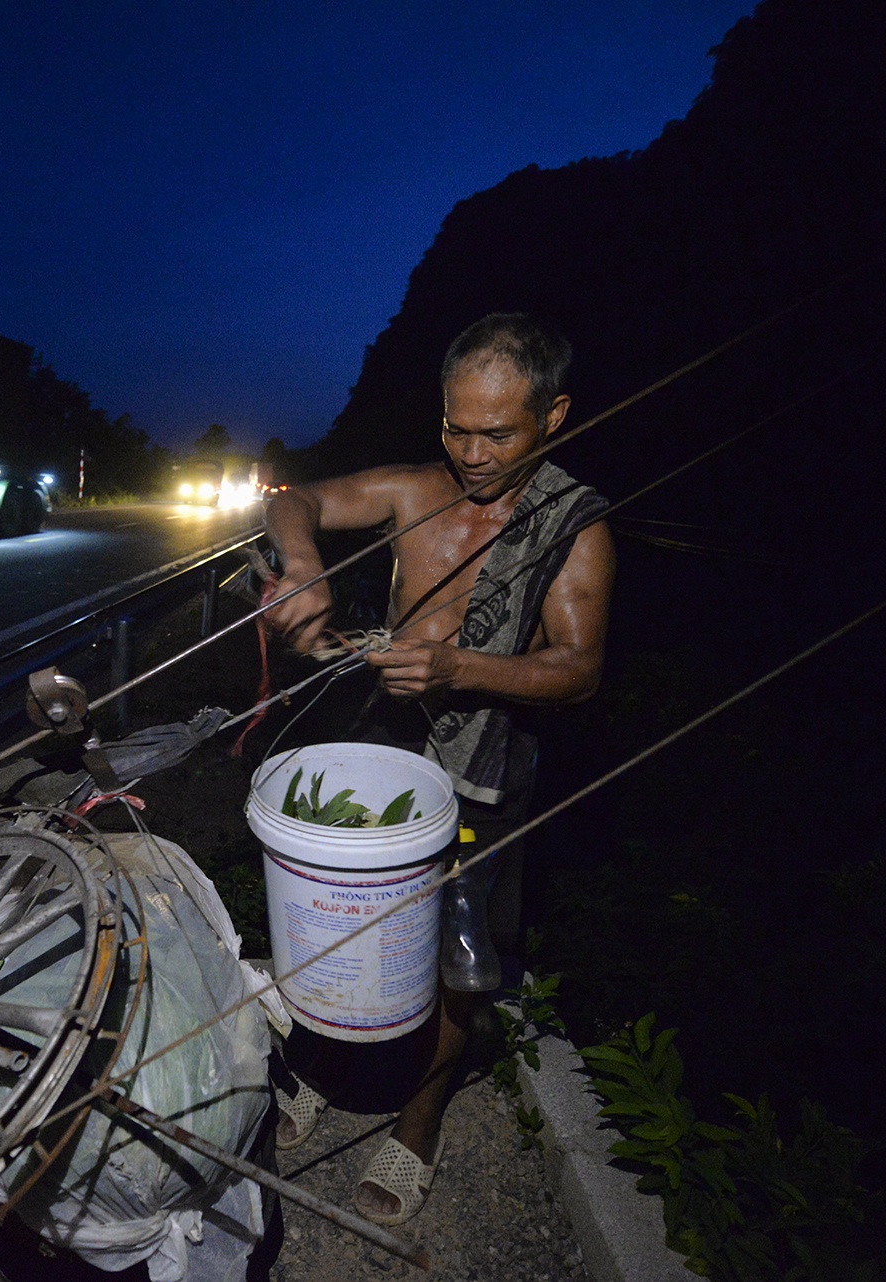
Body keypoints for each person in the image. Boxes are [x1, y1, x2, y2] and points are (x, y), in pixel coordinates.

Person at [260, 312, 615, 1226]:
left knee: (460, 954)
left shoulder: (577, 527)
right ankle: (317, 1064)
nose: (471, 451)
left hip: (485, 772)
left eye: (497, 432)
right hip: (379, 748)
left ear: (555, 416)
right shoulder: (416, 488)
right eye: (456, 426)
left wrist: (462, 668)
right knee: (334, 916)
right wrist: (302, 564)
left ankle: (419, 1123)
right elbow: (291, 497)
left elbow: (577, 671)